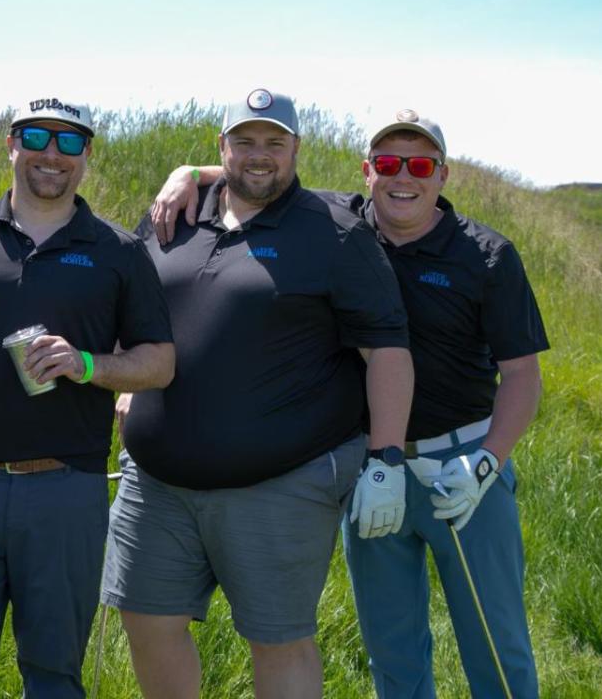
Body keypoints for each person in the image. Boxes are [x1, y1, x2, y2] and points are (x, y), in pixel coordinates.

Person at [150, 108, 548, 697]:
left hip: (461, 467)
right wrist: (191, 171)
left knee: (493, 643)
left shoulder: (485, 255)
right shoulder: (338, 224)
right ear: (367, 171)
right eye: (388, 164)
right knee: (391, 646)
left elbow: (521, 375)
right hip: (372, 469)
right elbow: (261, 172)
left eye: (419, 165)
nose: (402, 178)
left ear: (443, 174)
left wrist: (486, 463)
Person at [103, 89, 414, 699]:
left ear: (297, 149)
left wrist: (387, 459)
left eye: (275, 143)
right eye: (244, 141)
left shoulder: (335, 232)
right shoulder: (176, 212)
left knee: (278, 638)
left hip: (281, 482)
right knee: (146, 618)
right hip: (158, 480)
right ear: (221, 147)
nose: (259, 155)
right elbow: (137, 305)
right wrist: (124, 378)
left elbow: (388, 351)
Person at [0, 97, 175, 698]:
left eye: (70, 142)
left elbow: (160, 362)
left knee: (53, 675)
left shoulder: (117, 251)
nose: (53, 155)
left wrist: (88, 364)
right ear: (11, 143)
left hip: (67, 493)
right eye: (38, 138)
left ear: (87, 155)